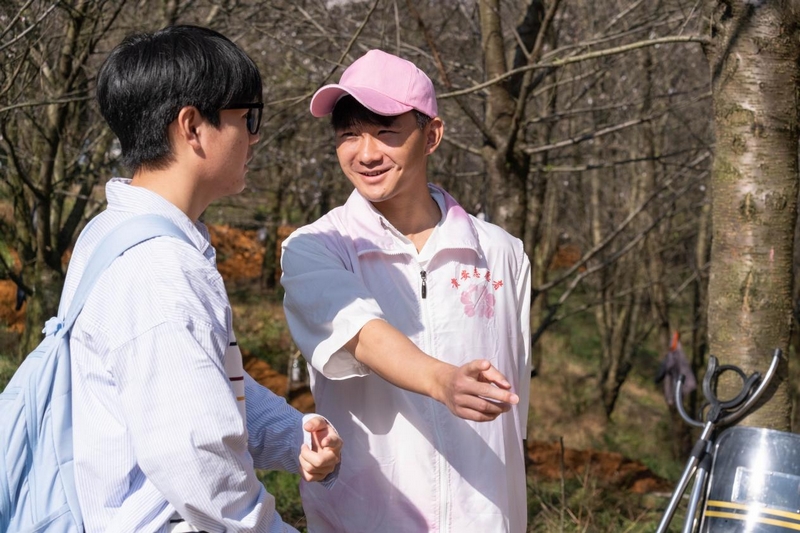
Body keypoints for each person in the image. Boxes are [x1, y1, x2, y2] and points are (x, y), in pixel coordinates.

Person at [60, 25, 341, 533]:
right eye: (247, 117)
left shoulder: (111, 232)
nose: (254, 136)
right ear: (192, 126)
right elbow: (200, 467)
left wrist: (293, 435)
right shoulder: (161, 270)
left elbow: (203, 381)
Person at [281, 49, 531, 532]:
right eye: (349, 134)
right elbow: (361, 335)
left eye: (386, 132)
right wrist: (443, 381)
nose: (366, 153)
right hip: (366, 518)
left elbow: (515, 401)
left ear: (431, 135)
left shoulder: (501, 253)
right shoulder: (315, 248)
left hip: (484, 515)